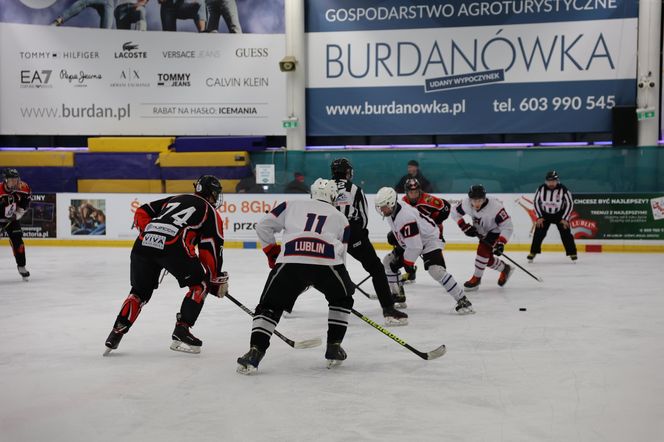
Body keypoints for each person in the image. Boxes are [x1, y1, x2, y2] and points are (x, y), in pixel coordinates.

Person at [236, 178, 355, 374]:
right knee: (342, 299)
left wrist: (272, 253)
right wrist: (342, 287)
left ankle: (255, 351)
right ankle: (334, 347)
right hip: (328, 263)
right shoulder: (341, 218)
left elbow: (262, 227)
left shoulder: (291, 205)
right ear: (333, 196)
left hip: (291, 261)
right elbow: (342, 256)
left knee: (269, 306)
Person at [104, 175, 228, 356]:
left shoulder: (175, 199)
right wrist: (214, 278)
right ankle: (182, 329)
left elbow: (141, 212)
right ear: (211, 194)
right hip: (174, 248)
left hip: (142, 244)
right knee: (200, 285)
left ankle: (116, 333)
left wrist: (152, 234)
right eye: (216, 194)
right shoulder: (210, 212)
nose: (216, 198)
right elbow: (210, 250)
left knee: (138, 292)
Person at [331, 158, 407, 325]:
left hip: (328, 235)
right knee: (376, 269)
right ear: (348, 172)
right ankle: (388, 309)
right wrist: (361, 236)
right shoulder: (355, 189)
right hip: (352, 234)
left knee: (311, 268)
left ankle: (286, 305)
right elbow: (363, 218)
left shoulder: (322, 188)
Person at [374, 186, 474, 315]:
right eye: (380, 206)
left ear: (391, 203)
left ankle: (462, 299)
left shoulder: (405, 217)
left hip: (430, 239)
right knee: (388, 261)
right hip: (415, 239)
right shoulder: (391, 211)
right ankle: (398, 295)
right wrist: (397, 239)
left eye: (383, 206)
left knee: (435, 270)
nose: (381, 209)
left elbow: (416, 246)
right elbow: (409, 238)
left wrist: (407, 264)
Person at [450, 185, 514, 292]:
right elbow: (454, 212)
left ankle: (477, 279)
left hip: (495, 231)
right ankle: (505, 268)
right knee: (486, 260)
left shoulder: (495, 207)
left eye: (480, 200)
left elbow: (507, 226)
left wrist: (501, 242)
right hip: (482, 232)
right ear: (470, 199)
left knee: (482, 251)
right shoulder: (466, 203)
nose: (477, 203)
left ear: (484, 198)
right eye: (474, 200)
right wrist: (463, 226)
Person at [397, 178, 452, 285]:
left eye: (416, 192)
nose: (413, 195)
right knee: (404, 247)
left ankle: (443, 276)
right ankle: (410, 272)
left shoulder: (428, 200)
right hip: (415, 232)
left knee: (435, 254)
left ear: (420, 191)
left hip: (432, 233)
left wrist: (436, 221)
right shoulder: (403, 202)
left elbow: (446, 207)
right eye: (411, 192)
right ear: (406, 192)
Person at [528, 171, 578, 262]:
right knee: (538, 233)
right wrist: (539, 217)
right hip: (544, 215)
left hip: (559, 215)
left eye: (553, 181)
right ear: (546, 181)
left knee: (566, 233)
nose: (551, 183)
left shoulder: (563, 189)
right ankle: (533, 252)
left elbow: (570, 203)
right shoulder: (541, 188)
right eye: (549, 181)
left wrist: (565, 218)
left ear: (557, 181)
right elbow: (535, 202)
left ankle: (572, 253)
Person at [0, 169, 32, 281]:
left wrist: (17, 215)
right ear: (6, 180)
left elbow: (23, 206)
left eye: (16, 179)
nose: (15, 182)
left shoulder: (24, 188)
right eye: (12, 180)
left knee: (18, 241)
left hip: (11, 220)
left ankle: (21, 266)